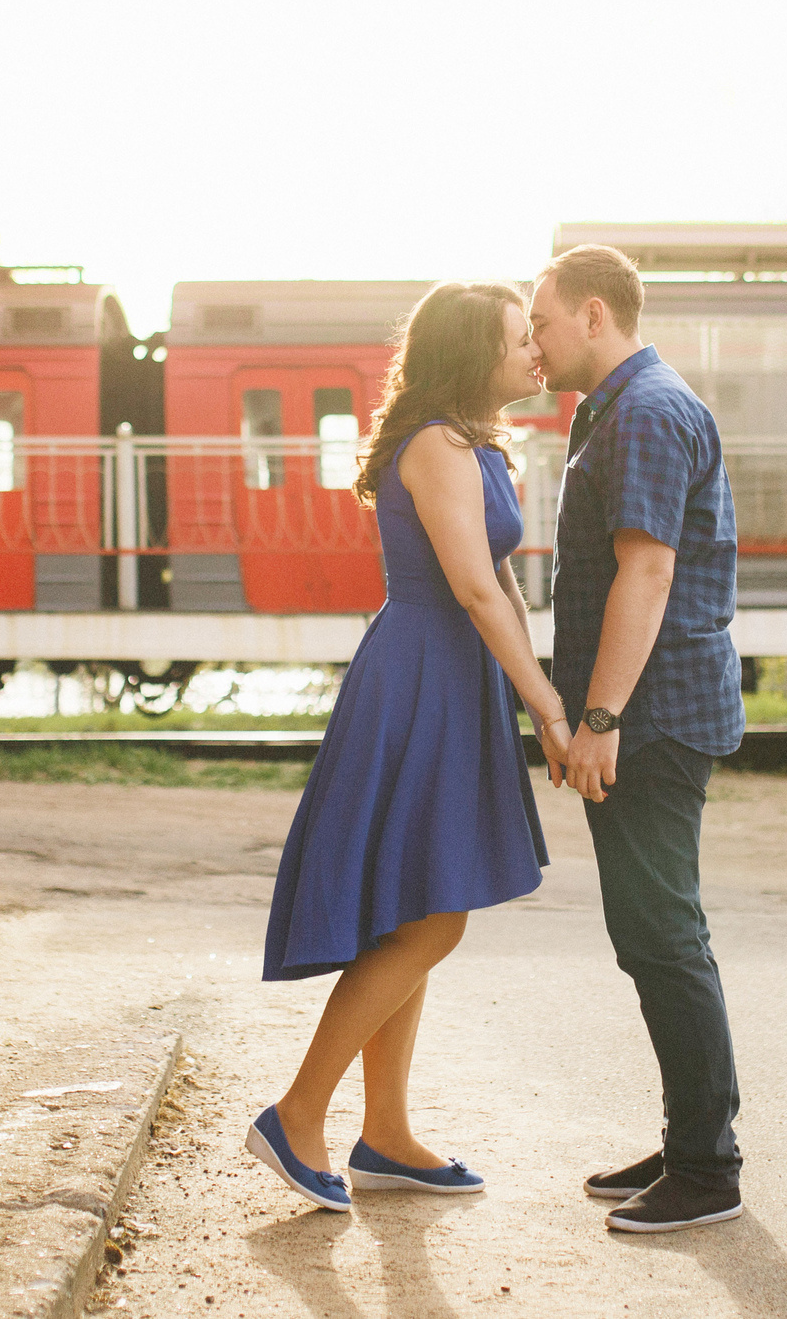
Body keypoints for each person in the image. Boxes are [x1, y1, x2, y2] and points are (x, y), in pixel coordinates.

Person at [251, 282, 576, 1212]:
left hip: (453, 678)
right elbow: (474, 591)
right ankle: (296, 1112)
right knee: (435, 916)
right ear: (475, 353)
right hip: (424, 672)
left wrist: (532, 695)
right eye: (522, 340)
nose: (536, 354)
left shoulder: (472, 445)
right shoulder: (435, 444)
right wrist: (549, 706)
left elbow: (502, 587)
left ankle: (385, 1134)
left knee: (421, 898)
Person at [528, 243, 748, 1235]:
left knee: (663, 933)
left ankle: (707, 1169)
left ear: (590, 315)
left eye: (539, 322)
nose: (532, 342)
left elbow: (646, 574)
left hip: (650, 719)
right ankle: (690, 1140)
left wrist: (601, 718)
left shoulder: (649, 413)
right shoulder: (618, 407)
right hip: (640, 713)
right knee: (649, 934)